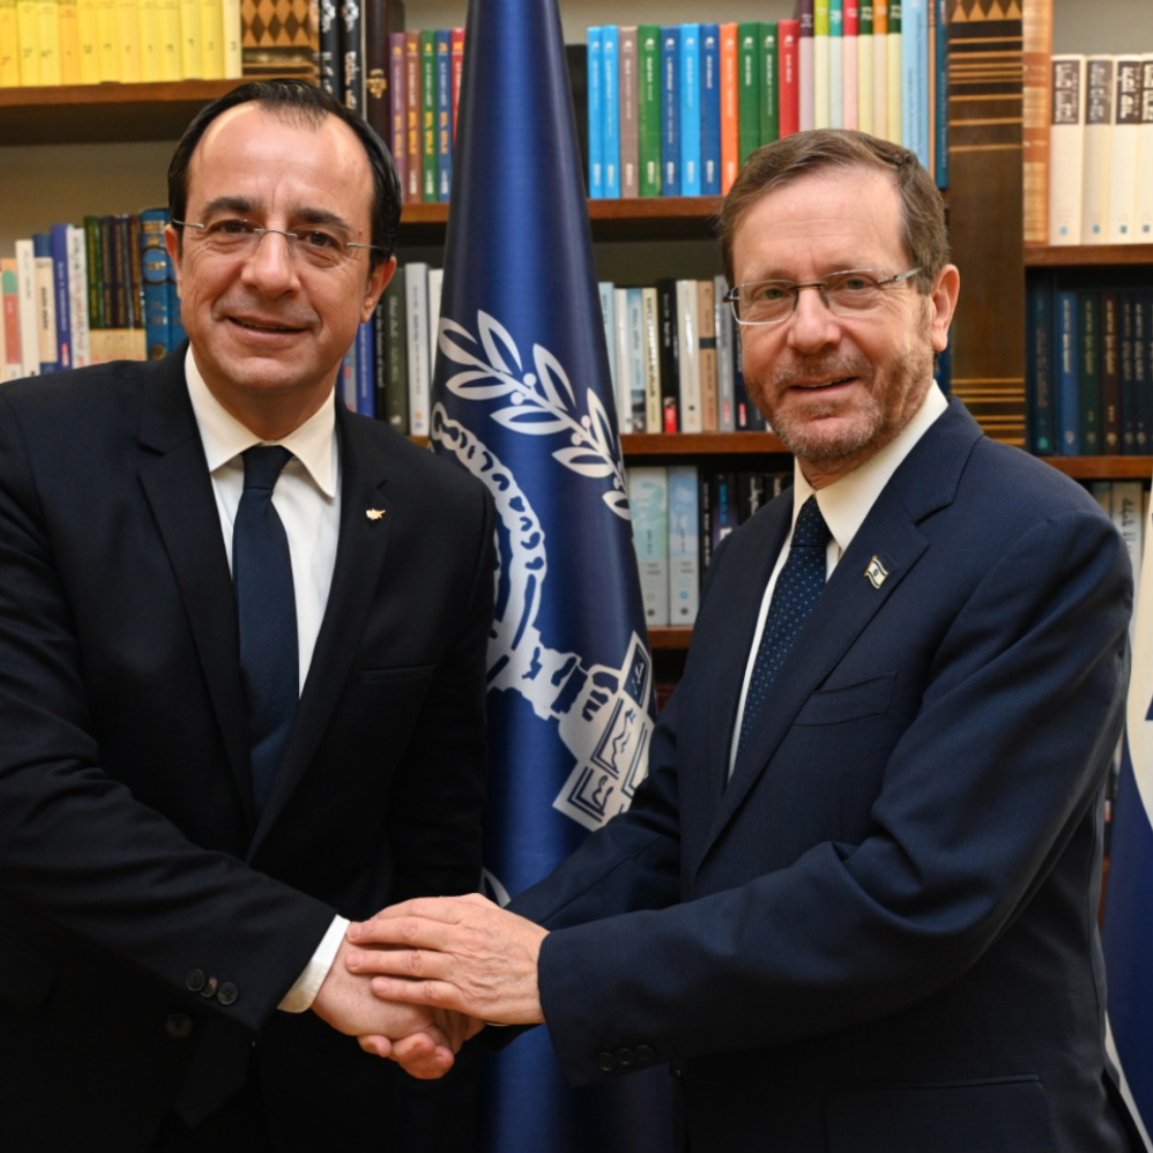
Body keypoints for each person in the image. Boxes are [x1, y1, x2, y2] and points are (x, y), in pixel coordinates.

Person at [344, 129, 1146, 1153]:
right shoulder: (756, 553)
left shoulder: (1036, 545)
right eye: (770, 295)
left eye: (851, 285)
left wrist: (547, 974)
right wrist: (470, 976)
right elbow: (671, 829)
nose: (808, 332)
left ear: (936, 303)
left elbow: (915, 897)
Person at [0, 79, 494, 1152]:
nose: (269, 272)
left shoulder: (442, 514)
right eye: (231, 226)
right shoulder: (29, 452)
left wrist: (426, 1033)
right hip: (74, 1084)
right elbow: (28, 795)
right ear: (174, 253)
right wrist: (314, 963)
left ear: (375, 283)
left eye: (319, 238)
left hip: (343, 1096)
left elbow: (437, 833)